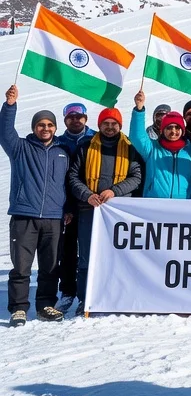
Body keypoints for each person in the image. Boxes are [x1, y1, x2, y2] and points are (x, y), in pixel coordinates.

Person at [3, 86, 72, 325]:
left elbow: (68, 184)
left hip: (53, 218)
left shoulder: (63, 151)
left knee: (50, 266)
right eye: (41, 125)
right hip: (24, 215)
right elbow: (4, 131)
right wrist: (10, 105)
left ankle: (45, 305)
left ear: (55, 127)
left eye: (49, 125)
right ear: (34, 128)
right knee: (21, 266)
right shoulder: (20, 148)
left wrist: (68, 210)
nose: (45, 128)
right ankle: (19, 308)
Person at [65, 107, 143, 309]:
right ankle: (85, 298)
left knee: (118, 255)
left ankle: (116, 296)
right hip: (89, 210)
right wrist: (87, 195)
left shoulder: (129, 148)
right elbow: (73, 177)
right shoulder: (86, 147)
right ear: (99, 125)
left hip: (118, 213)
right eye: (105, 124)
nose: (110, 127)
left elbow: (136, 177)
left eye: (114, 124)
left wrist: (115, 191)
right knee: (87, 257)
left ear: (120, 126)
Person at [54, 103, 93, 313]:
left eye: (79, 116)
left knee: (89, 251)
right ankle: (67, 291)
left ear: (86, 118)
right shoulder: (58, 142)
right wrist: (66, 206)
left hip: (92, 204)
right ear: (65, 120)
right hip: (67, 206)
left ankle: (86, 293)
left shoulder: (95, 139)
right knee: (67, 251)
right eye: (71, 117)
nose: (75, 120)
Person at [128, 91, 191, 200]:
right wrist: (139, 109)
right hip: (155, 205)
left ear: (183, 131)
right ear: (162, 131)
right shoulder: (152, 149)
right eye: (169, 128)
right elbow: (137, 137)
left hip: (184, 207)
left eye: (177, 128)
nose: (173, 131)